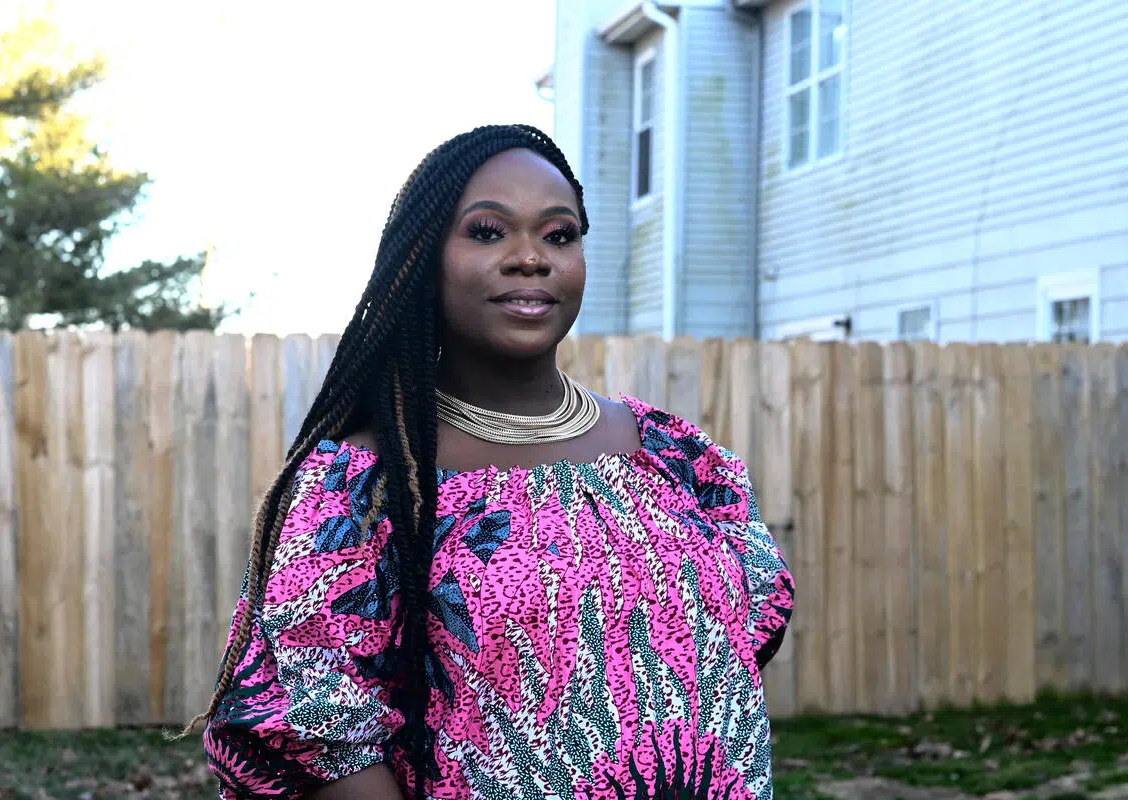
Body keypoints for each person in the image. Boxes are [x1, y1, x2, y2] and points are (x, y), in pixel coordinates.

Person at [192, 124, 794, 800]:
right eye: (488, 231)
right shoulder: (361, 491)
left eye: (559, 234)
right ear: (425, 259)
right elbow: (320, 738)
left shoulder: (677, 459)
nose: (530, 257)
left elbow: (734, 657)